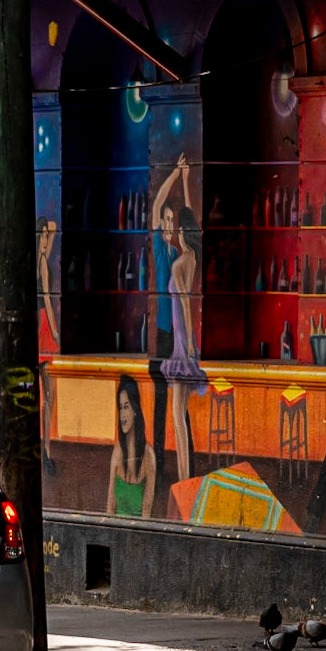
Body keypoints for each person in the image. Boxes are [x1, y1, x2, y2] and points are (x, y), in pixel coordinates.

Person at [160, 195, 207, 480]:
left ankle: (183, 477)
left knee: (177, 415)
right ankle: (184, 475)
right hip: (184, 339)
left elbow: (186, 302)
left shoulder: (179, 263)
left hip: (181, 342)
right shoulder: (192, 259)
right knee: (180, 414)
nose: (176, 232)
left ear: (184, 232)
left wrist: (188, 343)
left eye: (179, 228)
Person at [149, 155, 186, 472]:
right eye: (166, 220)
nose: (170, 225)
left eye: (173, 221)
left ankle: (184, 458)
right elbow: (158, 202)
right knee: (162, 398)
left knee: (181, 397)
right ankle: (160, 459)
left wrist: (185, 179)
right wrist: (174, 174)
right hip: (163, 332)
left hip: (178, 333)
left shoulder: (178, 252)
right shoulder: (160, 249)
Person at [107, 375, 155, 517]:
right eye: (120, 407)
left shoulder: (149, 456)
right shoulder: (117, 451)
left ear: (135, 410)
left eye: (126, 407)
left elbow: (146, 513)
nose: (122, 414)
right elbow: (110, 507)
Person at [36, 217, 60, 475]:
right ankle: (46, 448)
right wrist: (54, 330)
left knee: (43, 395)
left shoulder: (38, 259)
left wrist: (46, 232)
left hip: (38, 324)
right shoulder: (42, 261)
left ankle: (45, 447)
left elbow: (52, 228)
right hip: (43, 325)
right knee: (49, 395)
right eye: (41, 236)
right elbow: (48, 299)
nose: (45, 240)